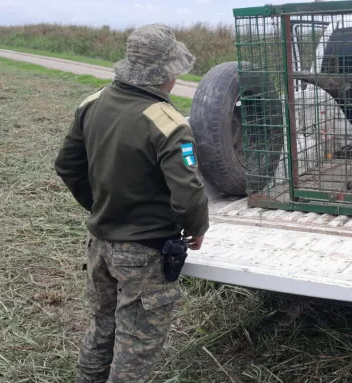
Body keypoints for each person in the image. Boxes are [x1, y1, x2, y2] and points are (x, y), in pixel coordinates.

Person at [54, 24, 209, 383]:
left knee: (102, 326)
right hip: (145, 253)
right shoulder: (167, 122)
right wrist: (196, 228)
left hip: (100, 245)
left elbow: (67, 166)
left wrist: (100, 204)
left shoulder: (91, 104)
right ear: (167, 74)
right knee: (137, 342)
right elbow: (188, 193)